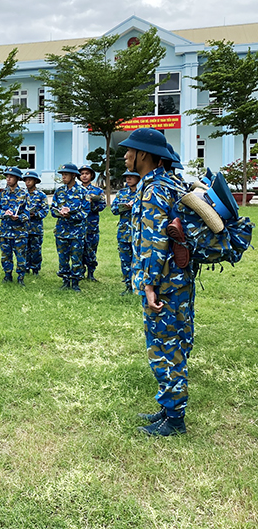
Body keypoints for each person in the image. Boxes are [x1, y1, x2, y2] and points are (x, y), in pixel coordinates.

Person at [122, 127, 196, 436]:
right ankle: (168, 409)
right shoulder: (171, 183)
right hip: (180, 280)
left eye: (130, 150)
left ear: (144, 155)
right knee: (176, 341)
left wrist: (149, 285)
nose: (125, 155)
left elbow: (153, 243)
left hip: (163, 283)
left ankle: (175, 419)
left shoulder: (152, 190)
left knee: (165, 347)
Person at [51, 163, 90, 291]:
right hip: (62, 231)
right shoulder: (59, 191)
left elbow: (85, 211)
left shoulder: (83, 192)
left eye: (66, 174)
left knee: (76, 258)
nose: (63, 177)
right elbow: (52, 209)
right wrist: (59, 213)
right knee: (63, 258)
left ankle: (76, 282)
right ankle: (65, 280)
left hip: (76, 231)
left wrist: (70, 216)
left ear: (74, 175)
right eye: (62, 174)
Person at [0, 167, 30, 285]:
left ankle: (21, 277)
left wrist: (19, 217)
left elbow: (28, 213)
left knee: (20, 256)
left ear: (17, 178)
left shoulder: (24, 194)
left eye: (11, 176)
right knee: (6, 255)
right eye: (7, 176)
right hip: (5, 230)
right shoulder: (2, 194)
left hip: (19, 232)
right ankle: (7, 275)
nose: (8, 179)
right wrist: (4, 214)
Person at [111, 171, 141, 294]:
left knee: (138, 260)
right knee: (125, 260)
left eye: (131, 176)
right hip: (124, 232)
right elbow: (113, 209)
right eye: (126, 177)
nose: (128, 179)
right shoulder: (122, 193)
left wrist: (135, 206)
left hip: (139, 232)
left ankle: (139, 286)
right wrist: (123, 207)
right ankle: (128, 286)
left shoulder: (143, 192)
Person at [78, 165, 107, 281]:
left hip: (91, 226)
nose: (84, 176)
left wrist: (92, 204)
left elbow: (102, 205)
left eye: (87, 173)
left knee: (91, 250)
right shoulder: (77, 190)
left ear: (91, 176)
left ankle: (91, 273)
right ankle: (79, 272)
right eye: (82, 174)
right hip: (78, 226)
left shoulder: (98, 191)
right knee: (78, 250)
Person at [22, 170, 49, 276]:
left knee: (36, 249)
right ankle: (25, 267)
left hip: (35, 227)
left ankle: (35, 269)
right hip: (23, 226)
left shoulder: (41, 195)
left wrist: (36, 214)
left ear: (35, 181)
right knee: (24, 248)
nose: (27, 182)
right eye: (26, 180)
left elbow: (45, 210)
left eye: (30, 180)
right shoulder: (22, 194)